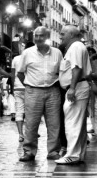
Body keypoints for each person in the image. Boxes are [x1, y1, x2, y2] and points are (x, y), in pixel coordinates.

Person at [18, 27, 64, 162]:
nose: (38, 38)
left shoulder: (57, 53)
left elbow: (62, 72)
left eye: (41, 36)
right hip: (33, 91)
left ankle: (53, 151)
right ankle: (29, 151)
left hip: (53, 90)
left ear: (47, 36)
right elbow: (20, 73)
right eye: (36, 36)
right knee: (31, 122)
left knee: (54, 122)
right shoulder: (27, 53)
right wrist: (29, 85)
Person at [56, 26, 91, 165]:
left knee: (72, 123)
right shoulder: (77, 46)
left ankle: (72, 154)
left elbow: (76, 68)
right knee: (78, 124)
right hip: (78, 87)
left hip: (76, 88)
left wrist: (72, 88)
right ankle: (79, 154)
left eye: (63, 34)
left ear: (71, 34)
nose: (60, 36)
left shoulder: (75, 47)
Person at [11, 49, 27, 143]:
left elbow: (13, 75)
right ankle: (30, 133)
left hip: (17, 88)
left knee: (19, 111)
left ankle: (21, 134)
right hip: (29, 87)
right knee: (30, 111)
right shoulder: (31, 57)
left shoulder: (15, 59)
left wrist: (13, 87)